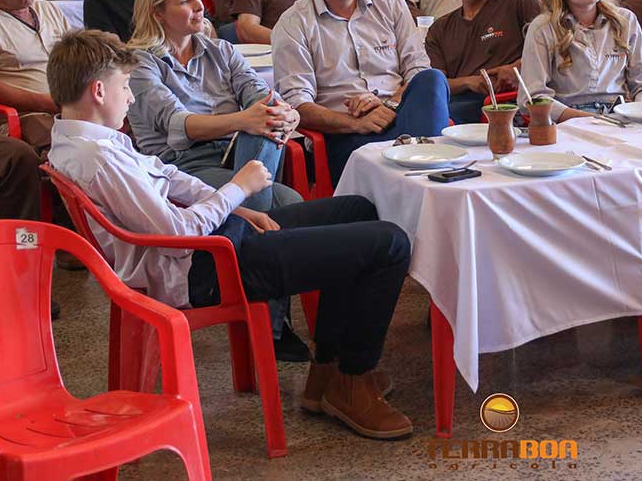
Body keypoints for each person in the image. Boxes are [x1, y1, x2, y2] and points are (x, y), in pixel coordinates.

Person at [47, 28, 414, 439]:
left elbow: (168, 176)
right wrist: (238, 187)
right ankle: (352, 380)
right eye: (125, 86)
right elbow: (177, 232)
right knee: (389, 243)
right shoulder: (96, 157)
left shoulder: (82, 139)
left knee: (354, 209)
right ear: (99, 91)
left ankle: (328, 371)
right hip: (204, 266)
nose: (130, 98)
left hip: (215, 242)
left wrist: (235, 205)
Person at [126, 0, 308, 360]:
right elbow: (178, 124)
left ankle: (254, 309)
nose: (199, 6)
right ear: (157, 12)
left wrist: (286, 114)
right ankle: (270, 326)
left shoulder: (220, 50)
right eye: (185, 1)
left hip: (236, 155)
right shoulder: (142, 64)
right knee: (287, 202)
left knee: (266, 128)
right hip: (180, 166)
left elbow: (262, 96)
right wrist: (247, 120)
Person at [273, 0, 450, 183]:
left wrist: (389, 104)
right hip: (347, 136)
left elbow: (417, 69)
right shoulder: (293, 24)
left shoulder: (389, 1)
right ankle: (423, 180)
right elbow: (298, 106)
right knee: (418, 161)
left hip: (400, 117)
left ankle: (416, 179)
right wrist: (356, 122)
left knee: (433, 79)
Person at [520, 0, 642, 121]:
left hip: (621, 115)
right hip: (569, 120)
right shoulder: (543, 27)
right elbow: (533, 97)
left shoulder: (625, 19)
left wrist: (637, 113)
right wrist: (589, 119)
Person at [426, 0, 542, 124]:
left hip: (510, 101)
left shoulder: (517, 1)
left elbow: (556, 43)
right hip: (459, 104)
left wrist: (519, 66)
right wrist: (469, 82)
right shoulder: (440, 28)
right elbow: (437, 83)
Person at [0, 0, 68, 148]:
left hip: (70, 106)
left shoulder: (48, 9)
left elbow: (80, 56)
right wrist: (46, 103)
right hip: (25, 116)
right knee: (70, 143)